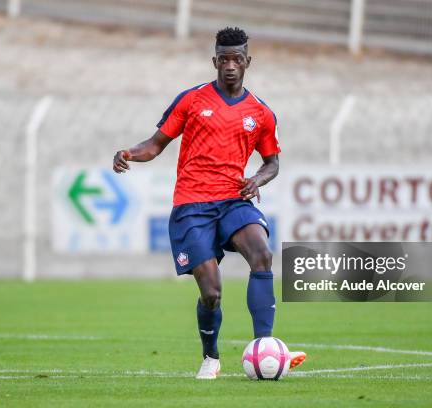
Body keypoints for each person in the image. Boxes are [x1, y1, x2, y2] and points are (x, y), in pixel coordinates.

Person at [113, 27, 305, 379]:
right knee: (212, 293)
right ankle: (211, 356)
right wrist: (128, 153)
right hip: (192, 206)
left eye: (237, 59)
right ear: (214, 61)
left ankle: (265, 346)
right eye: (224, 59)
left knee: (262, 253)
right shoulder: (192, 100)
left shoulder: (261, 112)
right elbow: (155, 145)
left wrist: (256, 180)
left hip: (234, 199)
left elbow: (272, 163)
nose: (230, 65)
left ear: (248, 62)